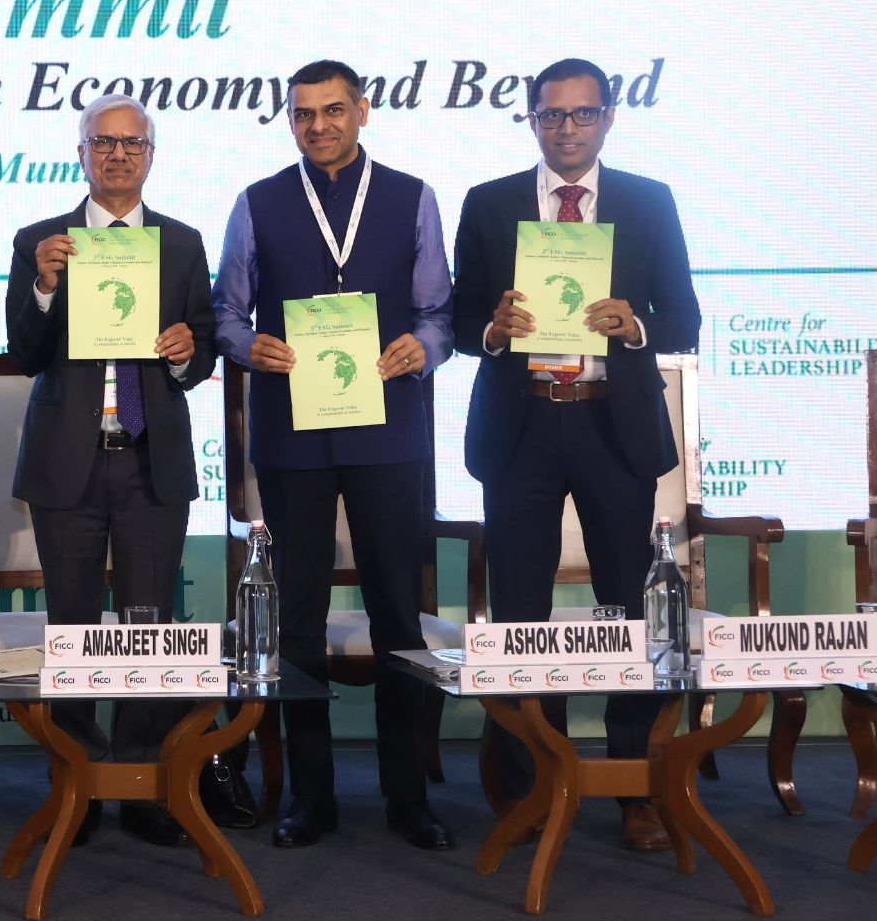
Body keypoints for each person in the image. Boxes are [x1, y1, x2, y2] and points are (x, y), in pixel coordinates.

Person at [452, 57, 699, 852]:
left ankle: (633, 784)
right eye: (552, 115)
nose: (567, 129)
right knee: (520, 614)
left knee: (623, 607)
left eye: (582, 115)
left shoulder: (647, 201)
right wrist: (495, 330)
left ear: (608, 118)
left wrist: (634, 328)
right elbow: (459, 326)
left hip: (611, 427)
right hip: (521, 428)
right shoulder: (488, 204)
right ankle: (530, 783)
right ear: (530, 119)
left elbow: (685, 320)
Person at [212, 60, 455, 851]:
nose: (318, 125)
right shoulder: (257, 203)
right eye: (303, 114)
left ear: (364, 111)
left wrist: (421, 349)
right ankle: (309, 799)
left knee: (399, 618)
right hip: (293, 440)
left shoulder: (414, 197)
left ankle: (408, 797)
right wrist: (253, 347)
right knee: (297, 625)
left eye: (333, 110)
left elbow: (439, 314)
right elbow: (225, 313)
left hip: (390, 437)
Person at [6, 94, 219, 846]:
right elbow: (25, 353)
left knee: (147, 626)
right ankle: (80, 781)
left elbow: (203, 357)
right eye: (104, 143)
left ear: (151, 156)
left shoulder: (183, 243)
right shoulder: (42, 240)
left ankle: (143, 782)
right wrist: (43, 285)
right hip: (68, 459)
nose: (119, 156)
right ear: (83, 152)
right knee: (71, 627)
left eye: (133, 145)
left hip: (149, 457)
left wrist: (187, 349)